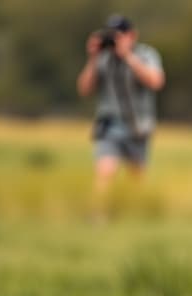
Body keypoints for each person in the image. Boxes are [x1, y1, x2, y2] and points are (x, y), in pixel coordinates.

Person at [77, 14, 165, 198]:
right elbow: (84, 89)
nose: (115, 40)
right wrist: (92, 58)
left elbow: (156, 82)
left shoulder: (146, 54)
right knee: (105, 172)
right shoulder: (103, 58)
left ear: (132, 35)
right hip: (110, 125)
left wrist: (128, 57)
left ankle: (135, 212)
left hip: (138, 126)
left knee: (137, 179)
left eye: (120, 35)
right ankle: (98, 215)